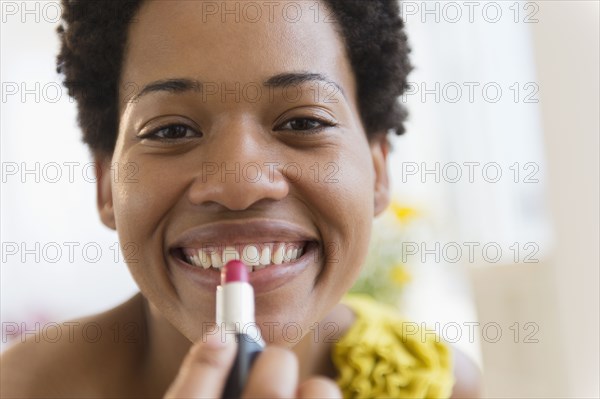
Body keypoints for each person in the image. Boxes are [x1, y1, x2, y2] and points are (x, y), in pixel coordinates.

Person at [0, 1, 480, 397]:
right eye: (170, 130)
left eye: (303, 122)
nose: (239, 185)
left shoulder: (443, 386)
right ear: (106, 184)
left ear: (377, 171)